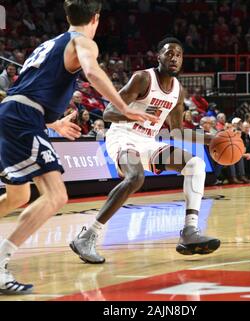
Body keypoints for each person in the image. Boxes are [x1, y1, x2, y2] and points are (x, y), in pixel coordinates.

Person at [0, 0, 156, 295]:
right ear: (95, 18)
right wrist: (123, 107)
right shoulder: (82, 41)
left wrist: (53, 124)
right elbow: (93, 72)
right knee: (56, 196)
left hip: (14, 113)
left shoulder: (50, 43)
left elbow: (25, 90)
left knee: (17, 194)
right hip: (22, 118)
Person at [70, 37, 221, 264]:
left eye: (179, 55)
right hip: (123, 135)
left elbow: (177, 133)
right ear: (158, 56)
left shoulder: (178, 91)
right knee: (136, 177)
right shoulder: (142, 79)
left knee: (196, 165)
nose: (174, 58)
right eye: (169, 53)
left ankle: (189, 231)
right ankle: (88, 235)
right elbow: (108, 113)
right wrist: (133, 114)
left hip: (148, 141)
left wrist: (210, 139)